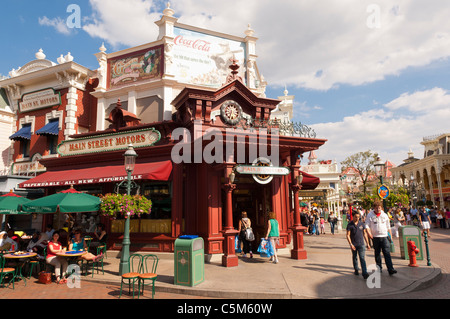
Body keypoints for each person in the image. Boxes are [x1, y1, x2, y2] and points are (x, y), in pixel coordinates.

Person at [365, 200, 397, 275]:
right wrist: (369, 233)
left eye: (379, 208)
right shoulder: (370, 215)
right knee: (377, 253)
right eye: (376, 208)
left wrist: (390, 237)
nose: (378, 209)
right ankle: (379, 268)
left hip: (384, 236)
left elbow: (388, 227)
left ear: (381, 208)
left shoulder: (384, 215)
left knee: (387, 253)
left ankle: (390, 269)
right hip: (375, 237)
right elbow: (367, 225)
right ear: (374, 208)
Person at [346, 211, 370, 279]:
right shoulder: (349, 225)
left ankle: (364, 273)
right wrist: (350, 244)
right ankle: (356, 269)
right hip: (353, 244)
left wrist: (367, 243)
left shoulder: (361, 224)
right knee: (355, 257)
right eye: (356, 217)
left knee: (362, 258)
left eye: (358, 217)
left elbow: (364, 233)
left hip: (361, 244)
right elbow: (348, 235)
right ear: (353, 216)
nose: (357, 218)